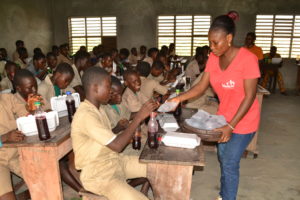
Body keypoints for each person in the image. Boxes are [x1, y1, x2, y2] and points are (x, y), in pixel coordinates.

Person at [169, 13, 260, 200]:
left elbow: (250, 96)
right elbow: (201, 86)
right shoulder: (213, 58)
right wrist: (178, 99)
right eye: (210, 42)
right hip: (223, 116)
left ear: (229, 38)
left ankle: (227, 197)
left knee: (229, 162)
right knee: (223, 155)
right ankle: (224, 193)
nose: (212, 47)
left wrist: (231, 126)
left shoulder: (248, 59)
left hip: (243, 120)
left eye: (215, 43)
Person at [71, 67, 157, 200]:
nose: (111, 91)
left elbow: (111, 141)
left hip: (114, 161)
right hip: (99, 175)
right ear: (95, 88)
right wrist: (139, 117)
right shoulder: (86, 115)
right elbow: (117, 145)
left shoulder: (99, 110)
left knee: (159, 168)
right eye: (108, 86)